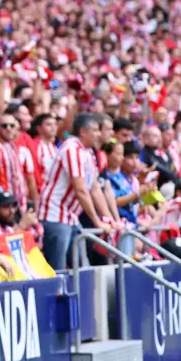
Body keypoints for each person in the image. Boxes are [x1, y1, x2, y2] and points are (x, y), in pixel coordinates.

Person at [38, 112, 107, 270]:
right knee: (58, 269)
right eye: (95, 130)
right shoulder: (72, 149)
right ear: (83, 132)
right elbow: (81, 189)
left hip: (71, 218)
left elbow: (95, 188)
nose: (99, 134)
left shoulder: (88, 153)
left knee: (81, 267)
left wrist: (108, 219)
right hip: (55, 216)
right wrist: (97, 221)